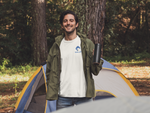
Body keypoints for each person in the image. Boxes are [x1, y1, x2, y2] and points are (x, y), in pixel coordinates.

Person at [46, 10, 103, 110]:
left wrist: (96, 60)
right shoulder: (56, 46)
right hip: (63, 97)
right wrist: (52, 89)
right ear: (62, 25)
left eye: (71, 20)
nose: (68, 23)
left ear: (76, 24)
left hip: (84, 96)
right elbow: (49, 71)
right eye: (65, 21)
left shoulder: (87, 44)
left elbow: (95, 71)